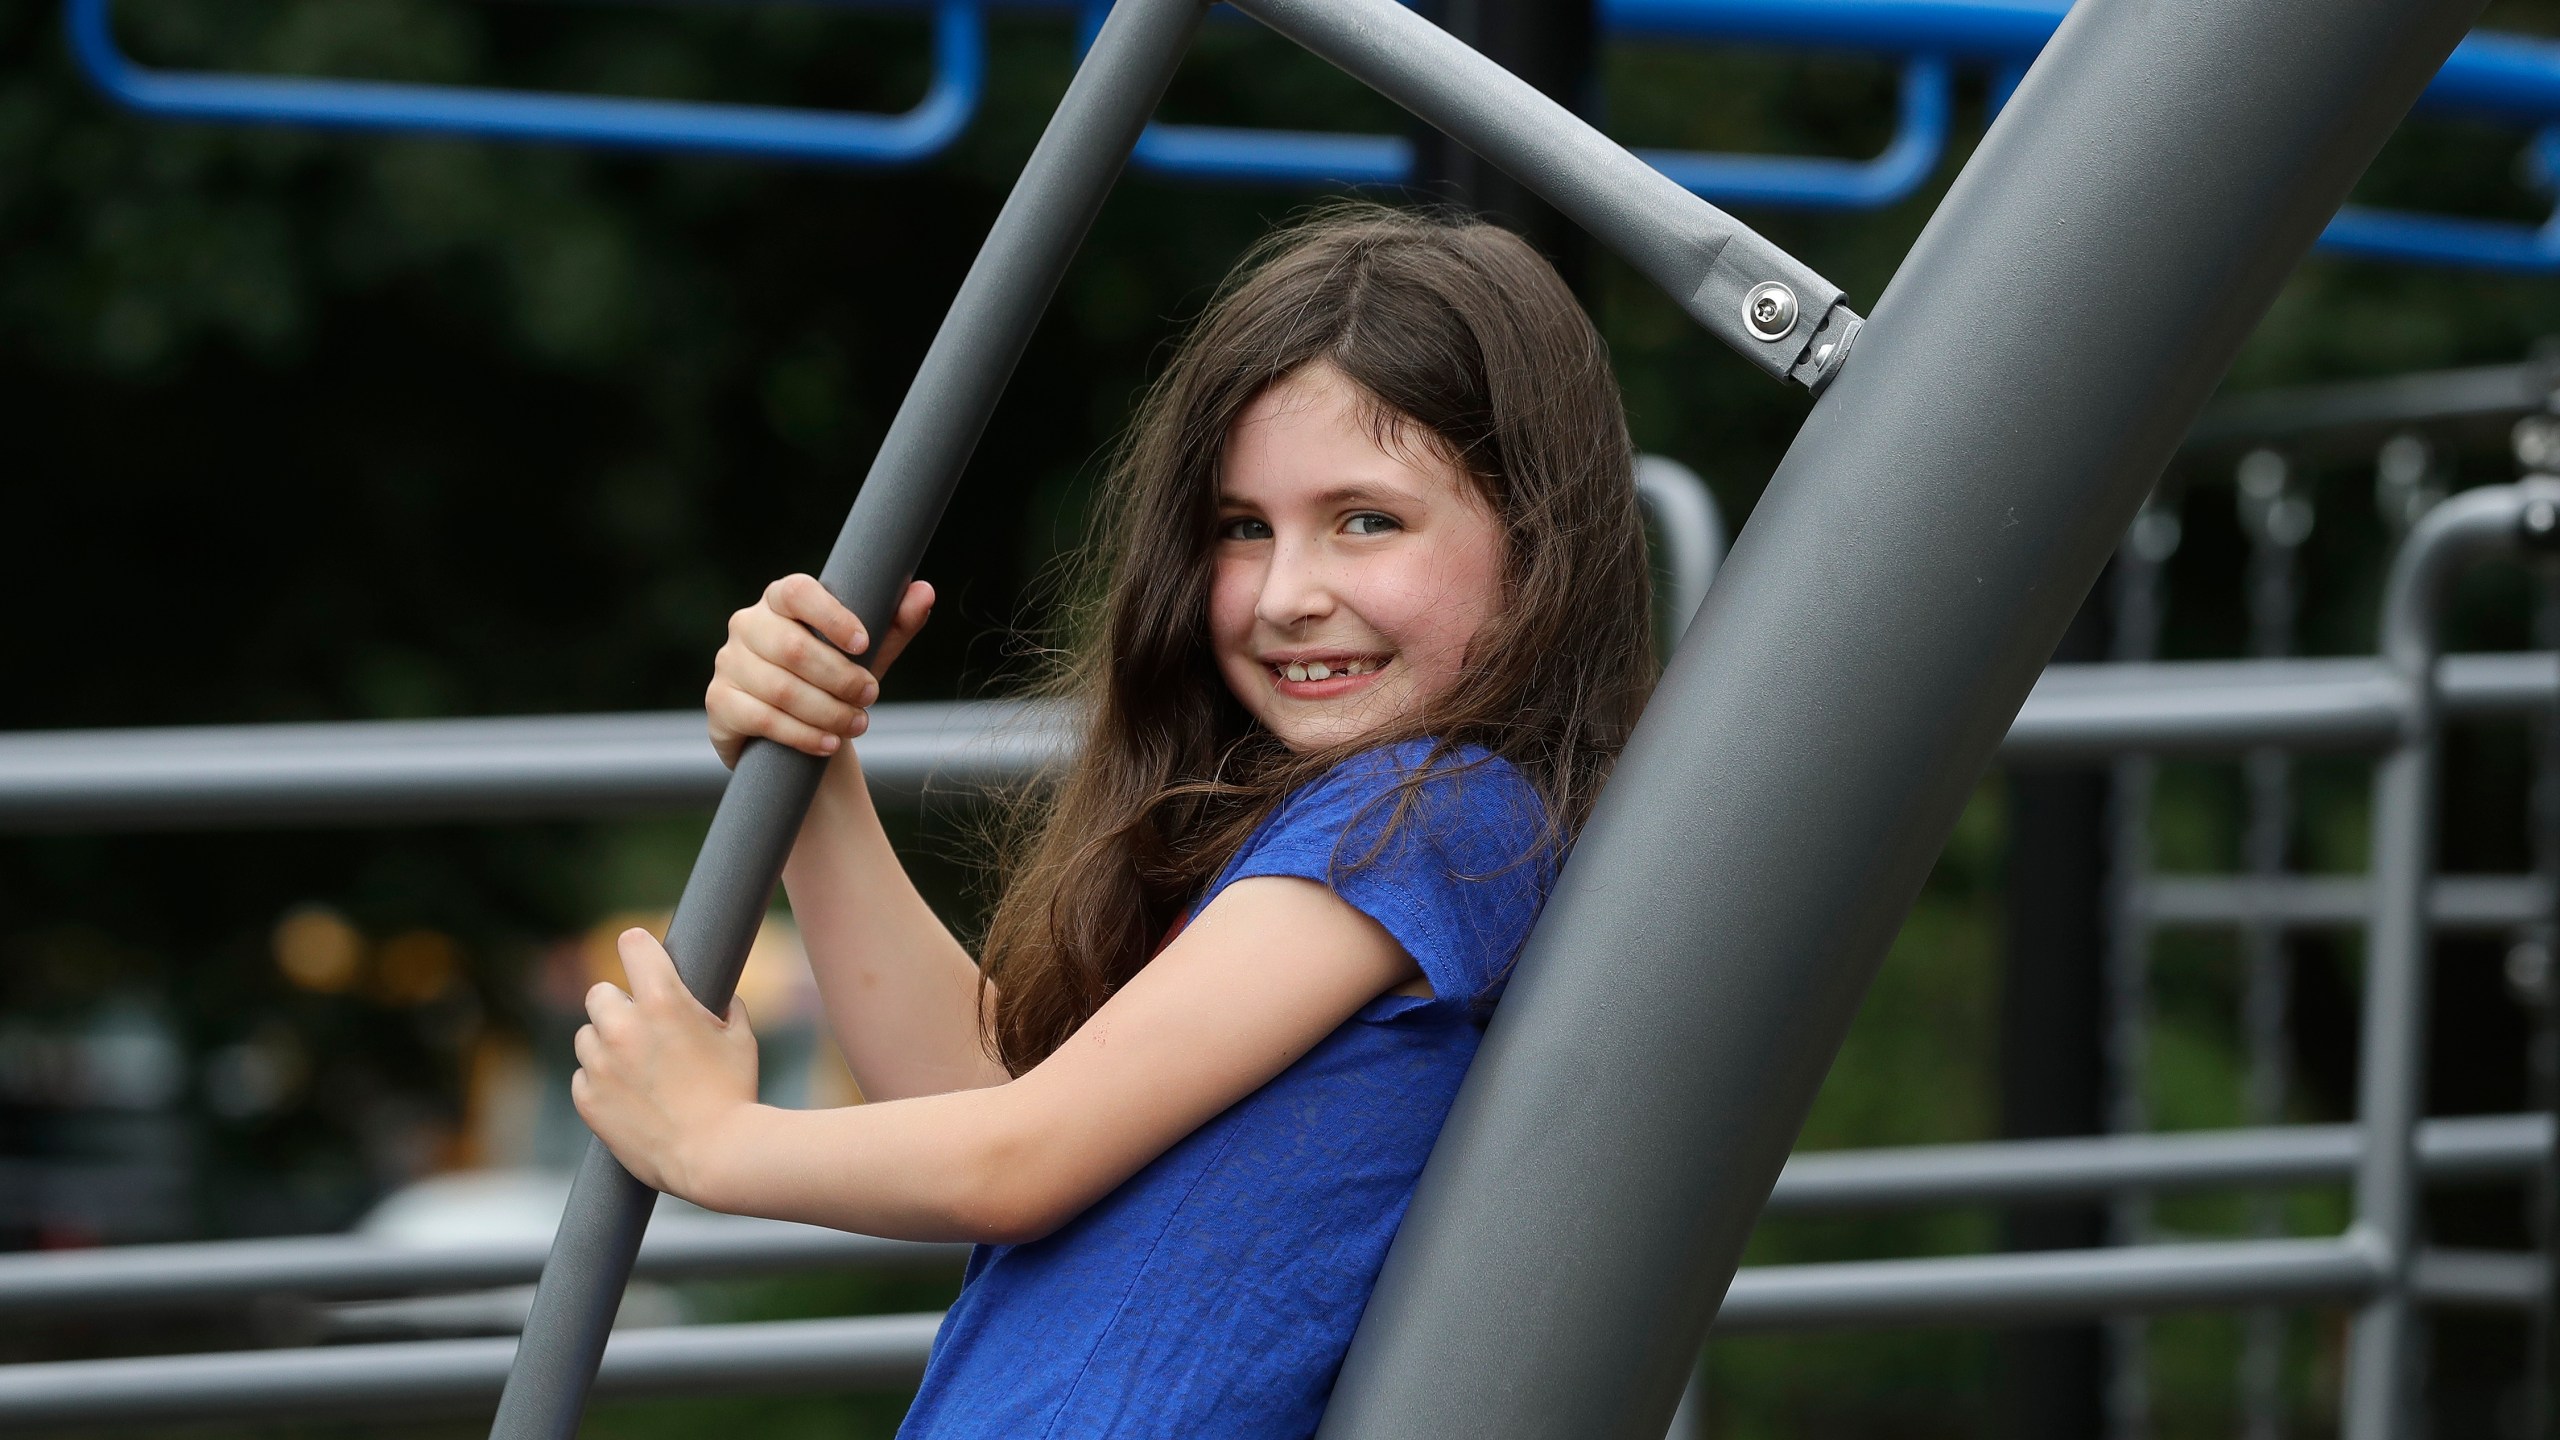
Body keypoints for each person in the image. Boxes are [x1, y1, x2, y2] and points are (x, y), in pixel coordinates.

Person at [569, 204, 1658, 1437]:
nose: (1288, 595)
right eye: (1241, 529)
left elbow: (1019, 1159)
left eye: (1367, 520)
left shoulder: (1430, 821)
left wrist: (717, 1146)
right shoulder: (1350, 831)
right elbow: (977, 1096)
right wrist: (815, 777)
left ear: (1538, 534)